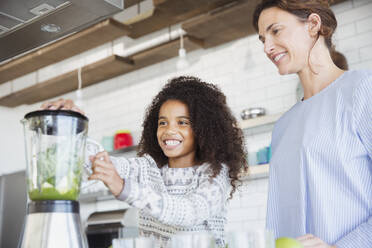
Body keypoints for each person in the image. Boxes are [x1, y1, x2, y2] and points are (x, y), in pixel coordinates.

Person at [41, 76, 247, 248]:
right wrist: (69, 125)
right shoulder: (147, 168)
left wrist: (124, 188)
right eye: (163, 122)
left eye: (183, 122)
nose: (169, 130)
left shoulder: (215, 174)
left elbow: (187, 212)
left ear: (204, 128)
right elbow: (95, 162)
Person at [252, 0, 372, 247]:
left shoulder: (362, 89)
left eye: (275, 31)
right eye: (263, 39)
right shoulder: (283, 126)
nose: (267, 48)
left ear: (313, 25)